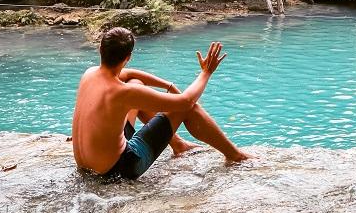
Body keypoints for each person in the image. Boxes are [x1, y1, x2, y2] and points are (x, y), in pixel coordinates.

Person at [72, 27, 250, 180]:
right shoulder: (124, 93)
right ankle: (235, 155)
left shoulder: (90, 73)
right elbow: (186, 101)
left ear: (100, 49)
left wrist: (168, 85)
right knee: (190, 108)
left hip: (87, 165)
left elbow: (129, 74)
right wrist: (206, 73)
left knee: (135, 82)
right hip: (119, 170)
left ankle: (178, 145)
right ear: (128, 57)